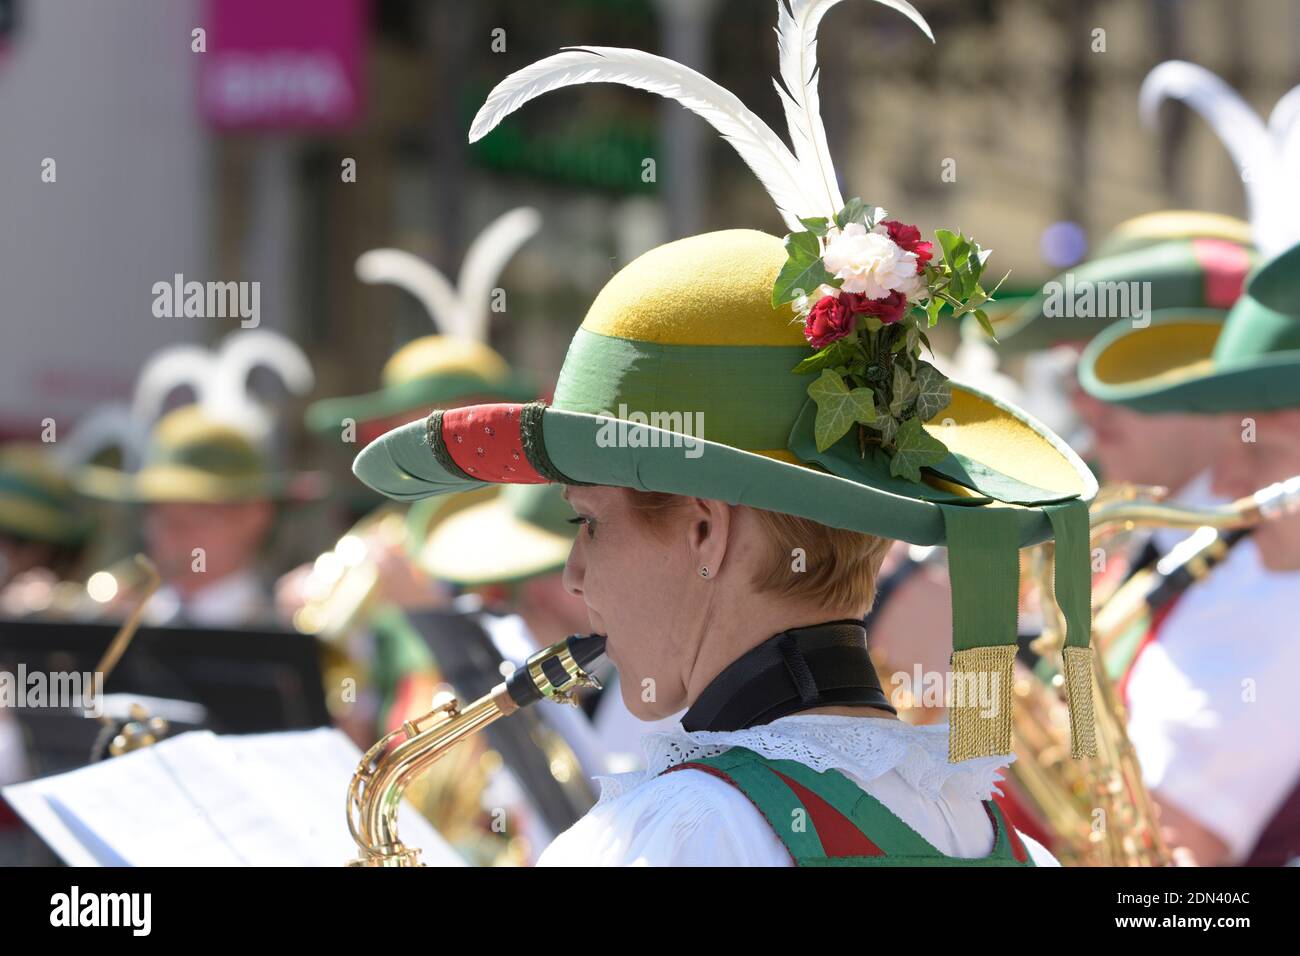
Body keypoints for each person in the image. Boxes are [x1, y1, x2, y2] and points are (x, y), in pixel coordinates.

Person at [354, 0, 1102, 866]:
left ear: (706, 528)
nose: (573, 572)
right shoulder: (1009, 845)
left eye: (587, 521)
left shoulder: (669, 838)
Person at [1079, 235, 1300, 866]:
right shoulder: (1241, 564)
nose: (1226, 482)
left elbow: (1179, 864)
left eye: (1260, 448)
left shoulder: (1274, 608)